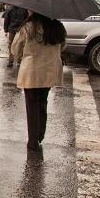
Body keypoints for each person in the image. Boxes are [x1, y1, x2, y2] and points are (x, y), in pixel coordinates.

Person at [11, 11, 66, 152]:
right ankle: (40, 135)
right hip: (50, 69)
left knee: (32, 105)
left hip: (32, 71)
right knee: (43, 102)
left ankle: (33, 141)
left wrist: (23, 55)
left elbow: (15, 49)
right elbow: (63, 46)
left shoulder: (28, 27)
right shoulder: (57, 27)